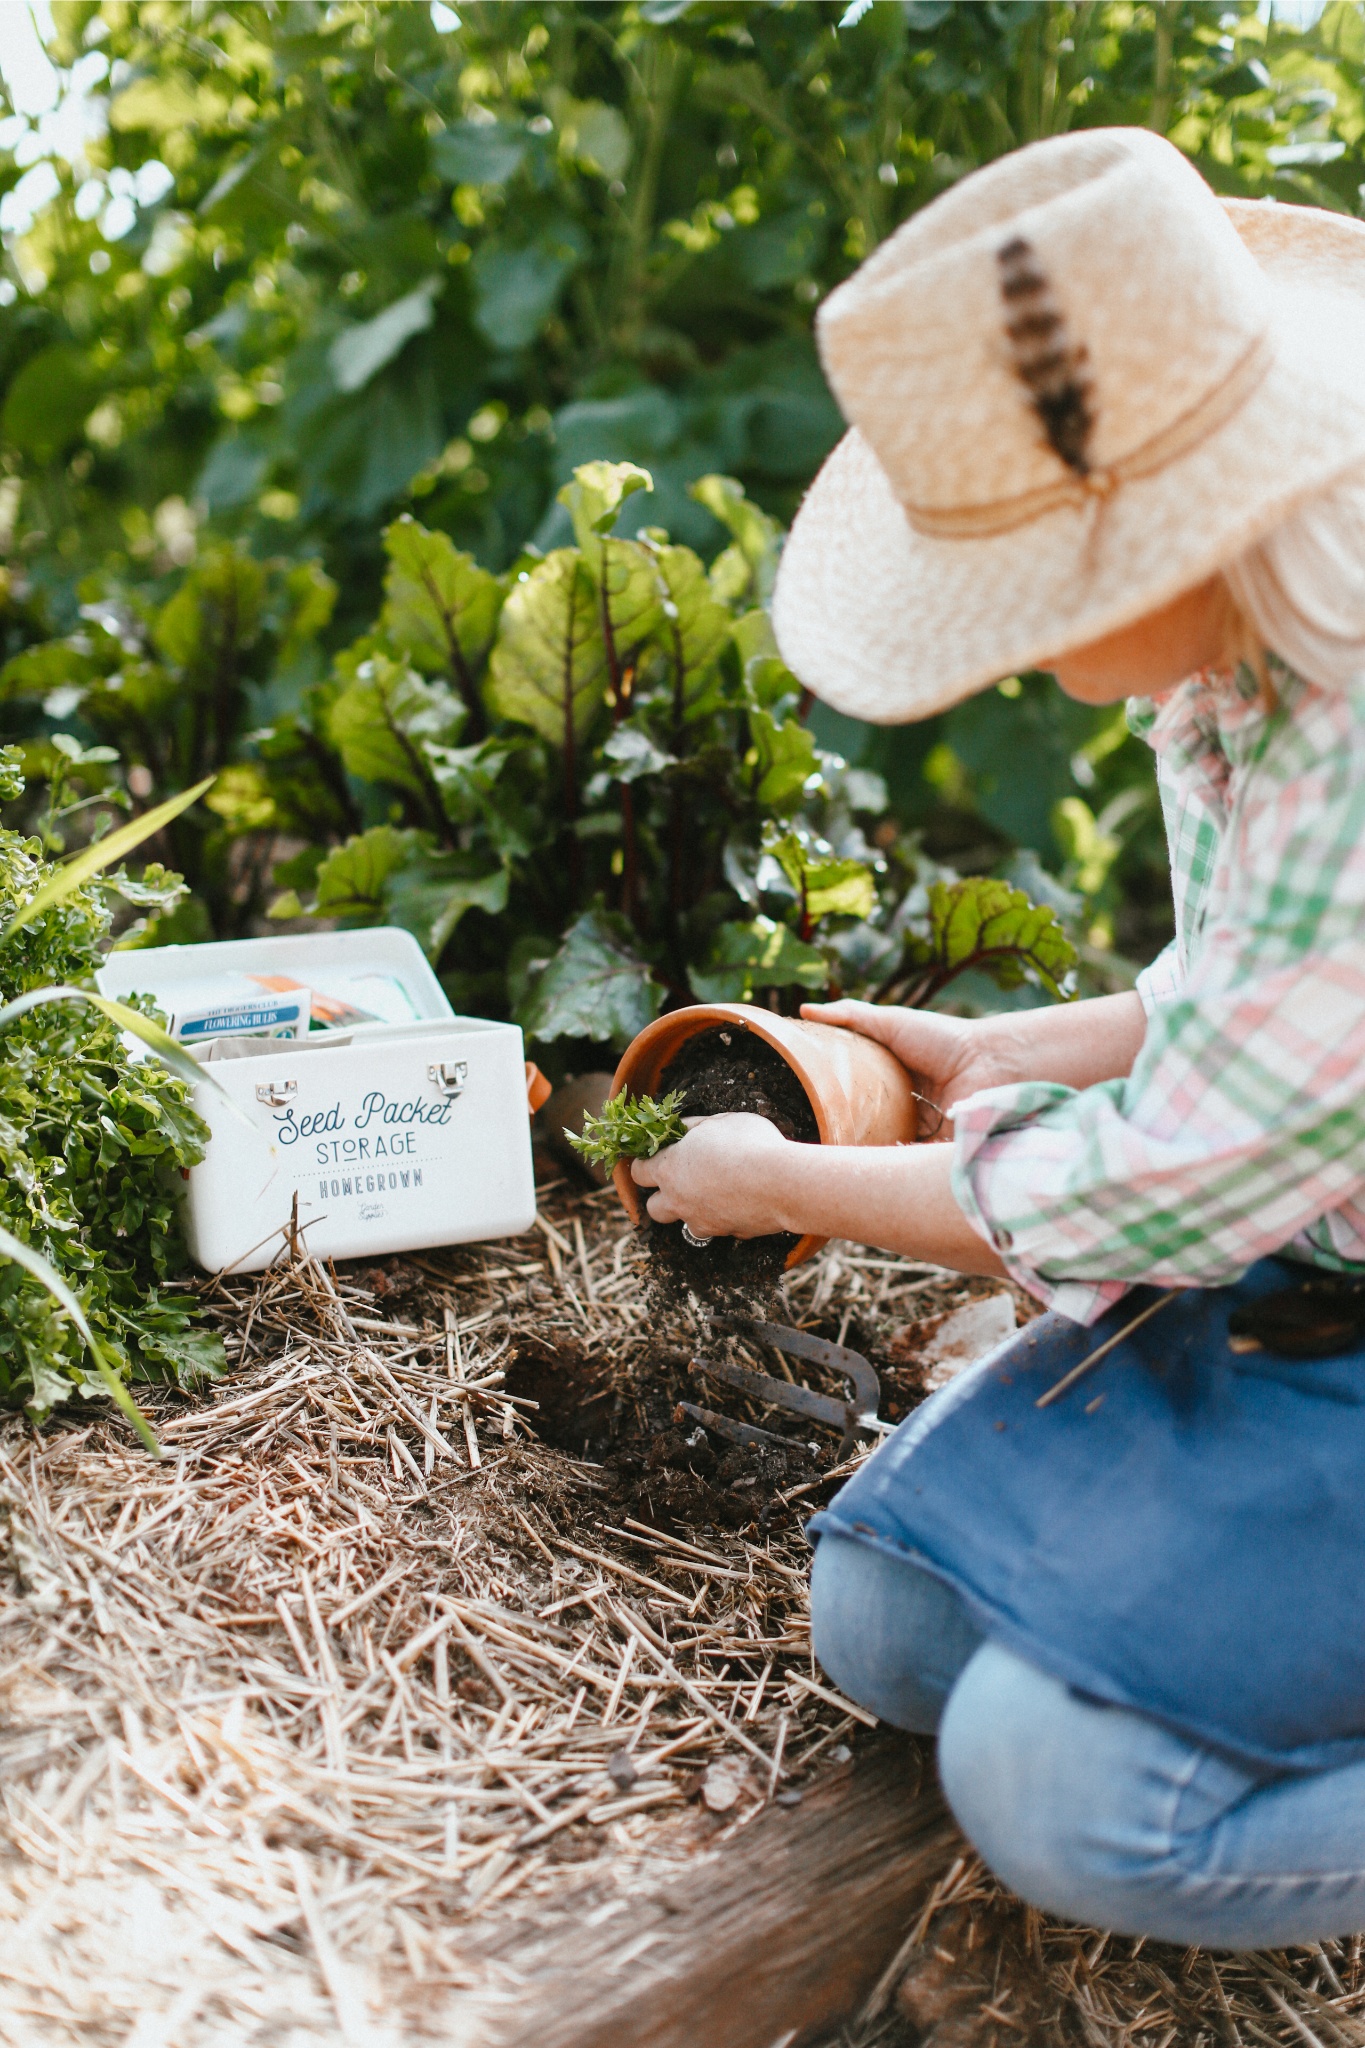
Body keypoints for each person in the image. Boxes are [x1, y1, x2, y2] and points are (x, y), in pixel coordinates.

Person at [630, 128, 1365, 1948]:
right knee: (888, 1626)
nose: (1007, 650)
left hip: (1286, 1288)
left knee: (1072, 1804)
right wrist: (1026, 1045)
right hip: (1301, 1285)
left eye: (1023, 598)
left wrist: (784, 1176)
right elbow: (1255, 1022)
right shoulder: (1255, 669)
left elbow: (1161, 1199)